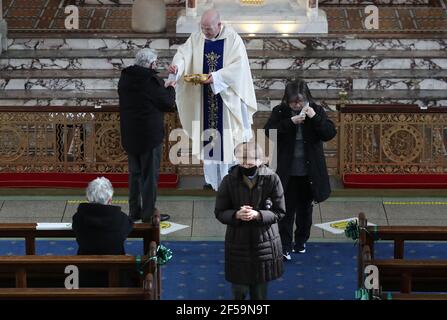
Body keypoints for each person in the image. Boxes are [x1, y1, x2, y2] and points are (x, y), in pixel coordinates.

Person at [168, 9, 257, 191]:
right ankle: (210, 180)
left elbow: (239, 67)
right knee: (208, 139)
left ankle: (227, 179)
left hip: (226, 99)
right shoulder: (197, 37)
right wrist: (177, 66)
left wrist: (216, 78)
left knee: (227, 140)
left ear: (219, 24)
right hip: (204, 98)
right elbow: (184, 53)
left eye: (208, 28)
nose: (205, 32)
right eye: (203, 27)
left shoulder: (233, 39)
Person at [264, 79, 337, 261]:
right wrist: (290, 122)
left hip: (309, 171)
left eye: (300, 101)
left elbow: (329, 133)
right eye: (293, 102)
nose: (297, 105)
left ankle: (301, 241)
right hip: (286, 170)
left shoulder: (316, 110)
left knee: (305, 211)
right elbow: (268, 132)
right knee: (285, 211)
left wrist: (314, 117)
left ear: (307, 98)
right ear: (287, 100)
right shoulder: (280, 112)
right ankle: (285, 246)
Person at [214, 142, 285, 300]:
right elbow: (219, 212)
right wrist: (236, 215)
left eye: (250, 162)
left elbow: (280, 211)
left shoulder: (272, 179)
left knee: (259, 294)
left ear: (260, 160)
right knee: (238, 291)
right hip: (238, 242)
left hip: (264, 242)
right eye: (242, 162)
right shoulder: (229, 180)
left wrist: (258, 214)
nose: (246, 166)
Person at [118, 48, 176, 222]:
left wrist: (161, 80)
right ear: (151, 64)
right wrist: (171, 88)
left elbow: (147, 93)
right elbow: (167, 103)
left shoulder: (126, 77)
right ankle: (148, 214)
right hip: (149, 137)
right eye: (155, 63)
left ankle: (134, 211)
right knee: (149, 176)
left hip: (130, 135)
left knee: (134, 175)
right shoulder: (151, 81)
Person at [72, 177, 134, 287]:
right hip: (116, 277)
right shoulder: (122, 219)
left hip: (85, 277)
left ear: (88, 198)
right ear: (110, 200)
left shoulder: (78, 218)